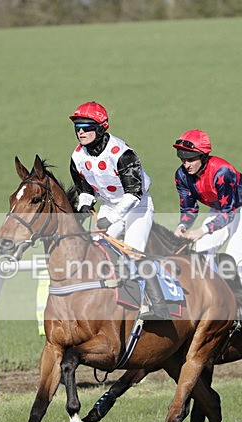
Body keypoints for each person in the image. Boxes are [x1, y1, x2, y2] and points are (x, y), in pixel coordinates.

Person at [68, 101, 170, 320]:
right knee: (95, 249)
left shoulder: (123, 154)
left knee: (133, 252)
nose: (80, 132)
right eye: (77, 127)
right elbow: (84, 189)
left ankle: (159, 307)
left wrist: (111, 218)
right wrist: (84, 204)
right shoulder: (77, 157)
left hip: (138, 206)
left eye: (86, 127)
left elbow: (134, 193)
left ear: (101, 127)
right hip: (110, 205)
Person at [172, 129, 242, 285]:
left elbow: (229, 213)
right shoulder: (181, 176)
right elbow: (189, 209)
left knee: (234, 259)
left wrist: (202, 230)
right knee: (201, 253)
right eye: (183, 160)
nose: (186, 165)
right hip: (220, 208)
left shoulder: (222, 171)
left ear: (203, 156)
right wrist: (182, 226)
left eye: (191, 159)